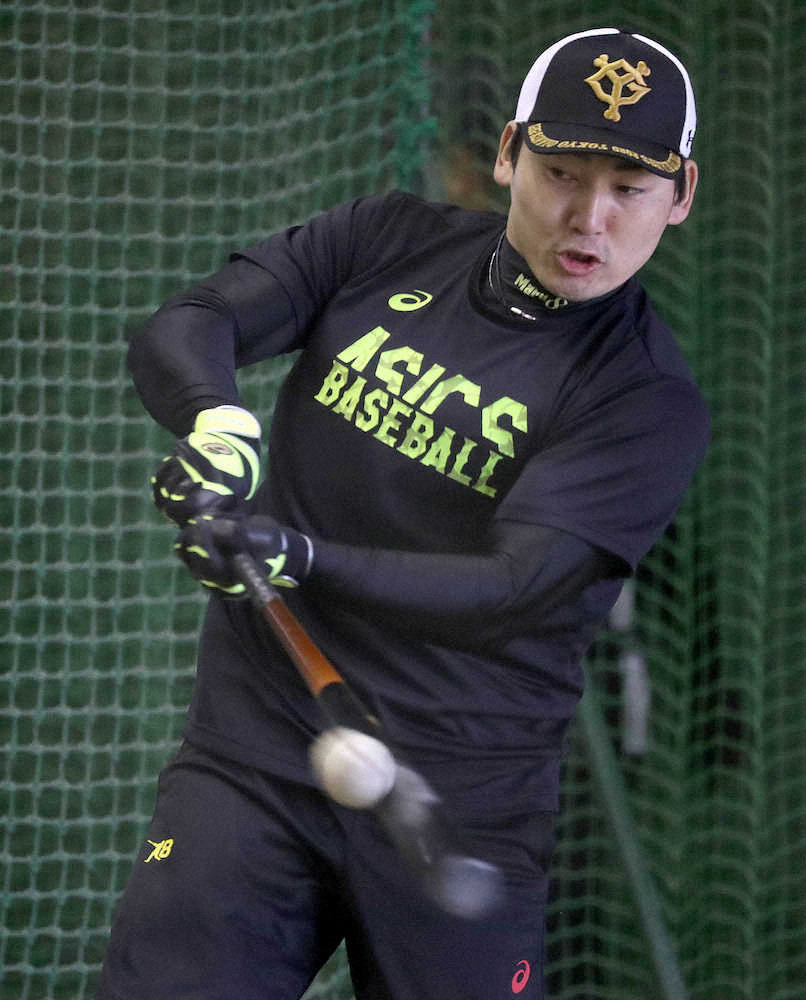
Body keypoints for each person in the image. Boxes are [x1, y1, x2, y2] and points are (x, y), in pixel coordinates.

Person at [96, 27, 709, 1000]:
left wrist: (295, 554)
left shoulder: (640, 399)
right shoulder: (385, 239)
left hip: (455, 801)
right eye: (558, 171)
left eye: (628, 188)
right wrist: (217, 425)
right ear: (508, 153)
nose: (586, 216)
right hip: (256, 752)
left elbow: (514, 588)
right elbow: (193, 322)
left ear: (676, 197)